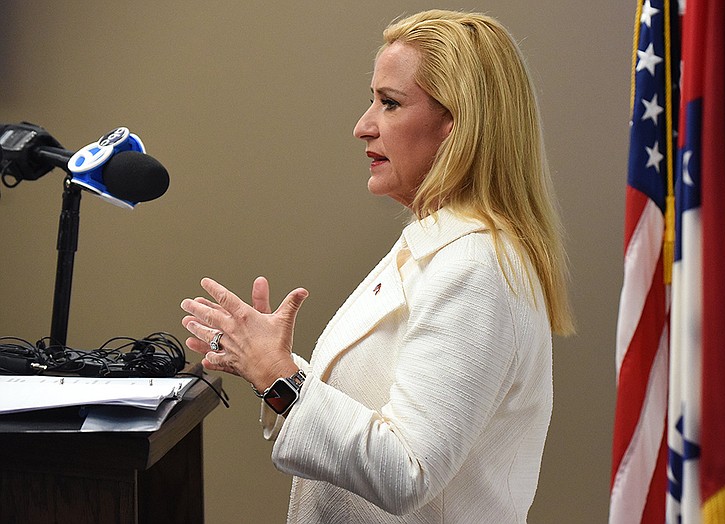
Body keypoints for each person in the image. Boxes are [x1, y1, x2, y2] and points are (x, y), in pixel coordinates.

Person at [180, 9, 573, 523]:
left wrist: (278, 377)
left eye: (389, 104)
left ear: (457, 125)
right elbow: (377, 414)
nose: (362, 126)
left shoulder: (474, 267)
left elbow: (407, 470)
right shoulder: (439, 247)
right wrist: (269, 363)